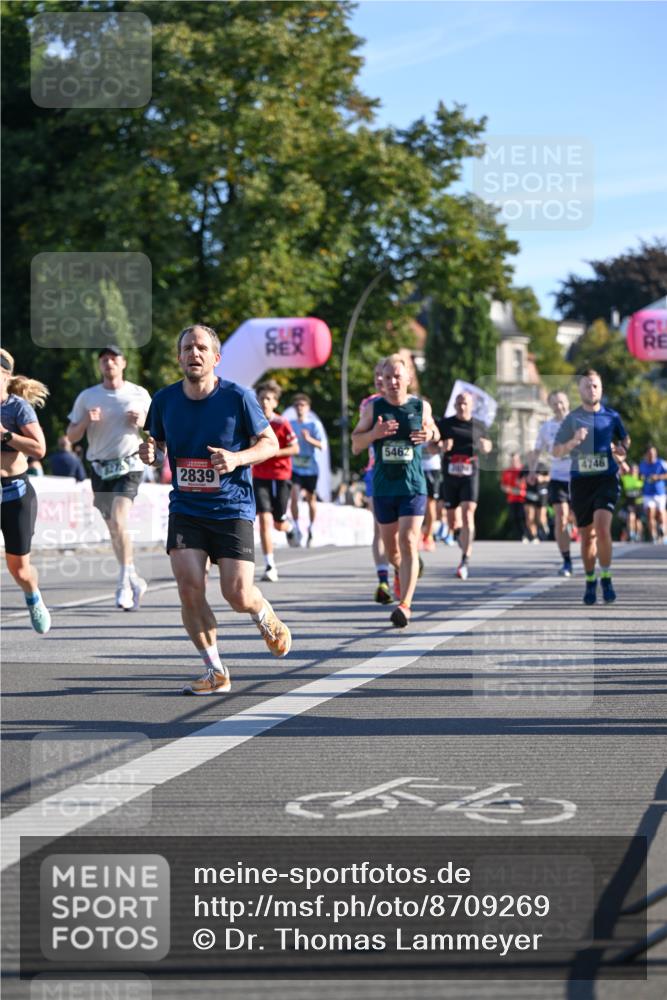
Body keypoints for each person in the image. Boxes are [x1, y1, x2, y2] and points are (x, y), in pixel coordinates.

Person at [140, 323, 291, 695]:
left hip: (231, 507)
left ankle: (262, 614)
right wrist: (150, 453)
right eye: (188, 347)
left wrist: (237, 458)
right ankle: (215, 670)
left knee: (237, 594)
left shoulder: (238, 397)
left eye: (202, 348)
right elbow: (155, 444)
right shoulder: (163, 400)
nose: (194, 353)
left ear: (216, 358)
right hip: (187, 508)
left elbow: (269, 443)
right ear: (179, 357)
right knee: (189, 588)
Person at [351, 353, 438, 628]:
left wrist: (430, 436)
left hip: (413, 486)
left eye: (397, 376)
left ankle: (406, 604)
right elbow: (355, 444)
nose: (392, 382)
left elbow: (435, 437)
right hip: (384, 487)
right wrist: (374, 434)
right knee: (391, 551)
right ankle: (400, 570)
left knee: (410, 540)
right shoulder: (372, 409)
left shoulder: (420, 406)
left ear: (408, 378)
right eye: (387, 377)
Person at [67, 345, 151, 611]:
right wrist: (85, 423)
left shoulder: (139, 394)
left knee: (118, 519)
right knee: (114, 528)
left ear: (123, 363)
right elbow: (70, 436)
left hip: (130, 464)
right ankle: (133, 577)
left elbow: (158, 428)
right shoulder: (88, 396)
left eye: (113, 358)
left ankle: (124, 583)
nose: (108, 363)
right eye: (104, 359)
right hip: (100, 468)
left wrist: (143, 422)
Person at [553, 369, 630, 605]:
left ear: (601, 389)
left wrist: (622, 450)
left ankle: (605, 576)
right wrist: (574, 441)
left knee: (602, 528)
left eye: (595, 386)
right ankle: (590, 580)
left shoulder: (612, 416)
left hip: (606, 479)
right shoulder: (572, 419)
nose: (592, 390)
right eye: (587, 386)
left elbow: (624, 439)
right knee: (587, 538)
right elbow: (556, 451)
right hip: (581, 482)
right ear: (580, 390)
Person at [0, 348, 52, 633]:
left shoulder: (17, 407)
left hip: (14, 493)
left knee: (19, 569)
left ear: (5, 375)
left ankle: (33, 595)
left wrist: (5, 434)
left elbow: (40, 449)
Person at [437, 391, 492, 579]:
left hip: (470, 473)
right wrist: (441, 446)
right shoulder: (445, 424)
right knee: (453, 522)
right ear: (454, 405)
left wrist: (486, 447)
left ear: (472, 406)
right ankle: (461, 535)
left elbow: (488, 445)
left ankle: (465, 560)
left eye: (465, 403)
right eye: (459, 403)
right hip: (450, 475)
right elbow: (430, 446)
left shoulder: (479, 425)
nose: (462, 406)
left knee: (468, 513)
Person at [252, 379, 299, 582]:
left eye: (269, 398)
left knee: (278, 522)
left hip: (281, 476)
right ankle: (270, 565)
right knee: (264, 519)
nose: (264, 402)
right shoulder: (252, 422)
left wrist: (273, 451)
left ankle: (289, 527)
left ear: (275, 403)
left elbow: (295, 448)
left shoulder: (282, 423)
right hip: (260, 475)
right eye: (261, 398)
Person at [527, 390, 573, 574]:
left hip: (580, 479)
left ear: (568, 403)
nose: (559, 407)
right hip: (558, 478)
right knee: (560, 518)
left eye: (561, 402)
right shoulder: (546, 428)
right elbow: (536, 451)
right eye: (554, 404)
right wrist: (531, 470)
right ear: (550, 407)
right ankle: (567, 560)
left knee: (586, 523)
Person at [359, 360, 393, 604]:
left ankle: (403, 565)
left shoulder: (408, 401)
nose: (380, 380)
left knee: (402, 533)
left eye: (385, 375)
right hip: (375, 471)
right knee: (379, 526)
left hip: (403, 474)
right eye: (377, 377)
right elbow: (361, 436)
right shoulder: (369, 404)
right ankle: (383, 579)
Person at [288, 393, 323, 548]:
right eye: (297, 405)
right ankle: (296, 527)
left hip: (311, 468)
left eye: (302, 405)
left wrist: (309, 439)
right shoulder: (290, 424)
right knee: (294, 495)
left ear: (308, 408)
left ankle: (311, 528)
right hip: (295, 468)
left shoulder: (313, 425)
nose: (300, 408)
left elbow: (322, 446)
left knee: (311, 500)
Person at [639, 444, 667, 544]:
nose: (652, 455)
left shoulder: (661, 463)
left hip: (660, 493)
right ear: (646, 454)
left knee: (661, 512)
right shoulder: (642, 464)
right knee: (650, 513)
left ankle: (663, 531)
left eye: (653, 453)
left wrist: (658, 477)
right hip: (647, 493)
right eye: (650, 453)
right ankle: (653, 536)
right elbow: (639, 476)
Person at [500, 452, 528, 541]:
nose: (514, 461)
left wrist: (521, 487)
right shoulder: (507, 471)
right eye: (512, 459)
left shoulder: (523, 470)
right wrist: (508, 489)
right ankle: (519, 537)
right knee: (514, 518)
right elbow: (503, 485)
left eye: (515, 459)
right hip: (512, 499)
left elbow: (528, 483)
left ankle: (526, 535)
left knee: (522, 517)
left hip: (523, 498)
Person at [619, 463, 643, 542]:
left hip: (639, 503)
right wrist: (621, 462)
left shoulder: (641, 478)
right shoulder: (626, 478)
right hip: (630, 503)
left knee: (638, 520)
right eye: (632, 469)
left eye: (635, 469)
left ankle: (639, 535)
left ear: (638, 470)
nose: (633, 471)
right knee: (630, 517)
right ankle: (632, 534)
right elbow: (619, 472)